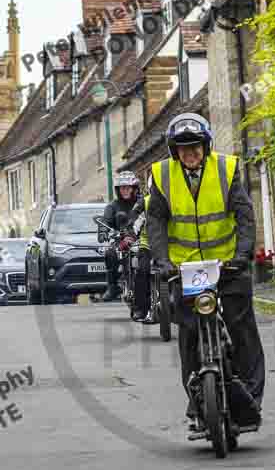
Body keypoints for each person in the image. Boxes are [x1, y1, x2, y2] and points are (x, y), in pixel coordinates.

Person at [147, 113, 265, 427]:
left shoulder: (227, 168)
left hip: (227, 266)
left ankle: (251, 398)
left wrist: (243, 254)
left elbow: (244, 216)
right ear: (174, 151)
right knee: (187, 335)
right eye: (183, 148)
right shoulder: (161, 176)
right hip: (184, 270)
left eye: (196, 146)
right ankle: (196, 400)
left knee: (243, 330)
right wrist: (161, 262)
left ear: (207, 145)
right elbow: (155, 223)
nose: (191, 153)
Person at [102, 171, 141, 302]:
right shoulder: (113, 206)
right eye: (121, 188)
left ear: (134, 188)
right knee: (110, 253)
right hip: (120, 239)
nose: (124, 190)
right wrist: (103, 231)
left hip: (142, 238)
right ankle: (112, 286)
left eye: (127, 187)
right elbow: (105, 221)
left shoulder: (142, 202)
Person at [131, 178, 153, 323]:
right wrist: (130, 233)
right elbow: (134, 218)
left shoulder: (176, 199)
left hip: (173, 245)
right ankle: (141, 308)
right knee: (142, 271)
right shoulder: (145, 202)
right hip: (148, 245)